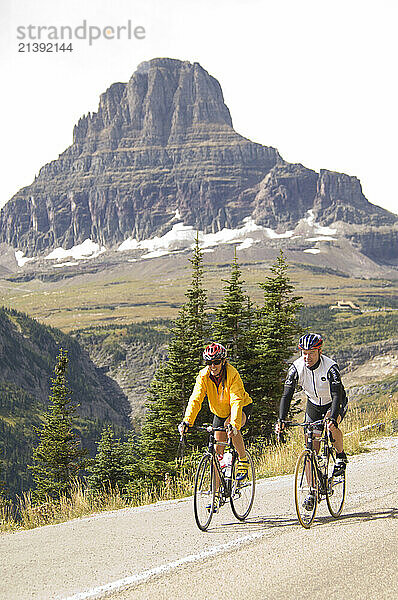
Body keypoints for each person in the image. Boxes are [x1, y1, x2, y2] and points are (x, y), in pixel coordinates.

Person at [276, 333, 348, 509]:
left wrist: (332, 417)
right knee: (310, 447)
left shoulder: (330, 367)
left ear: (319, 352)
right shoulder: (296, 368)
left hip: (334, 401)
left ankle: (340, 456)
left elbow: (337, 394)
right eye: (304, 353)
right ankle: (312, 491)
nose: (307, 357)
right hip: (314, 405)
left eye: (311, 353)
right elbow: (287, 395)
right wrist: (281, 420)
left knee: (331, 426)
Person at [178, 342, 253, 487]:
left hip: (241, 408)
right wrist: (187, 422)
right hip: (219, 412)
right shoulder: (203, 376)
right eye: (209, 362)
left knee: (229, 428)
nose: (213, 366)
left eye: (216, 362)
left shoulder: (232, 374)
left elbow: (236, 400)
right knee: (217, 454)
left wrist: (234, 424)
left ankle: (243, 460)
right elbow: (195, 399)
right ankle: (216, 494)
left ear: (223, 361)